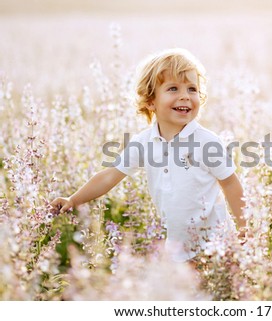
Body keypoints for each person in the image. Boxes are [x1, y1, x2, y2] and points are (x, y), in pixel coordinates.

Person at [51, 48, 246, 262]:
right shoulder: (144, 143)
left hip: (216, 243)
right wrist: (73, 199)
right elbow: (109, 176)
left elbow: (230, 184)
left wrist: (244, 229)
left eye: (192, 89)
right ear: (151, 101)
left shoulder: (206, 142)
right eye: (173, 88)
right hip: (176, 248)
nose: (185, 96)